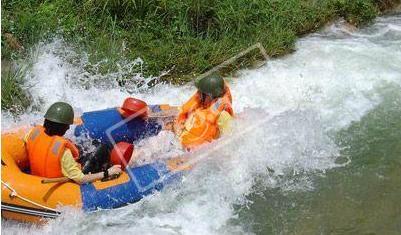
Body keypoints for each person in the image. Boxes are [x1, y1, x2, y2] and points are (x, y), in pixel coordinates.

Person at [25, 102, 121, 184]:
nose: (67, 128)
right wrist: (107, 173)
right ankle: (110, 172)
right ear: (63, 127)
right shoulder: (63, 152)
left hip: (38, 175)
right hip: (64, 181)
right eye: (67, 126)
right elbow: (80, 179)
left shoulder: (33, 134)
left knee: (92, 145)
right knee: (101, 149)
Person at [172, 75, 234, 150]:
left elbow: (229, 141)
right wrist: (176, 128)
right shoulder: (201, 107)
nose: (198, 95)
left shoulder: (223, 116)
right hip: (180, 144)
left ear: (209, 96)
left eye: (201, 93)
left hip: (195, 152)